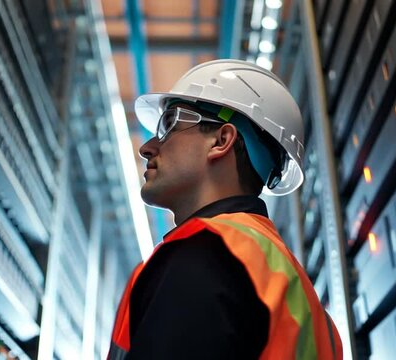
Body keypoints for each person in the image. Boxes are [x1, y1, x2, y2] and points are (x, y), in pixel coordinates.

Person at [108, 59, 343, 359]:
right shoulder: (301, 298)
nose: (148, 147)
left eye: (169, 124)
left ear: (221, 141)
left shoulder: (208, 254)